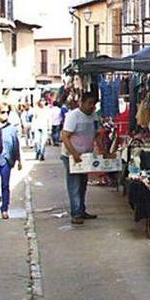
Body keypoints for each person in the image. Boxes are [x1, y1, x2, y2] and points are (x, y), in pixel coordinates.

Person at [60, 92, 100, 225]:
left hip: (85, 156)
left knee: (82, 184)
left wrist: (103, 151)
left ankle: (81, 210)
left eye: (93, 104)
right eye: (89, 103)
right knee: (74, 185)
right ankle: (76, 213)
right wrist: (74, 154)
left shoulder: (94, 116)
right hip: (71, 156)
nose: (91, 106)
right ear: (81, 103)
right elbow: (65, 136)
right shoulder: (73, 116)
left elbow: (96, 134)